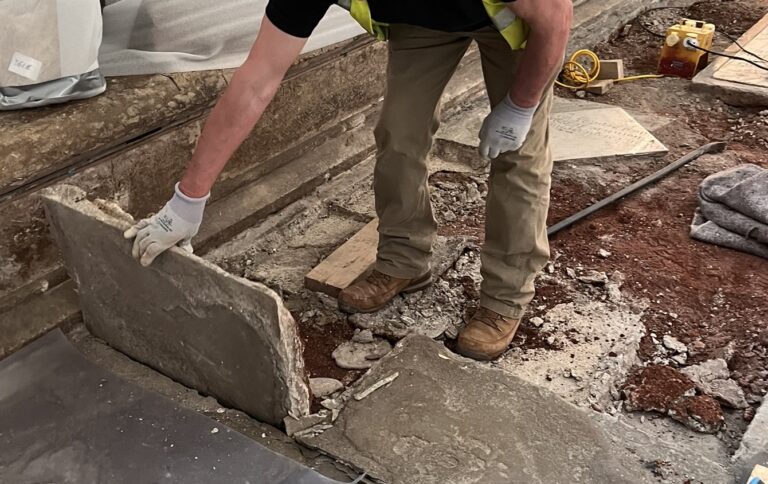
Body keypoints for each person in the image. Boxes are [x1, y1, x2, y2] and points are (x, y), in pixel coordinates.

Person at [124, 0, 573, 361]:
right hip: (424, 19)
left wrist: (520, 106)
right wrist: (188, 200)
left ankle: (505, 297)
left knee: (518, 155)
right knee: (398, 133)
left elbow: (555, 19)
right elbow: (257, 79)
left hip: (515, 22)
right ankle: (404, 259)